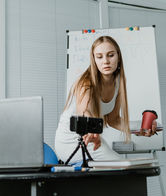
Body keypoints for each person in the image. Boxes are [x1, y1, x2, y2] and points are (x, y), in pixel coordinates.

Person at [55, 35, 157, 163]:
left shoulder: (119, 81)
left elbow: (114, 120)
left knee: (124, 164)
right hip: (72, 140)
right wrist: (91, 129)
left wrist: (142, 127)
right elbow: (84, 112)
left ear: (118, 57)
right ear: (94, 60)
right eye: (99, 57)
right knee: (123, 164)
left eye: (110, 55)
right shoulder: (85, 83)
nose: (105, 61)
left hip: (93, 137)